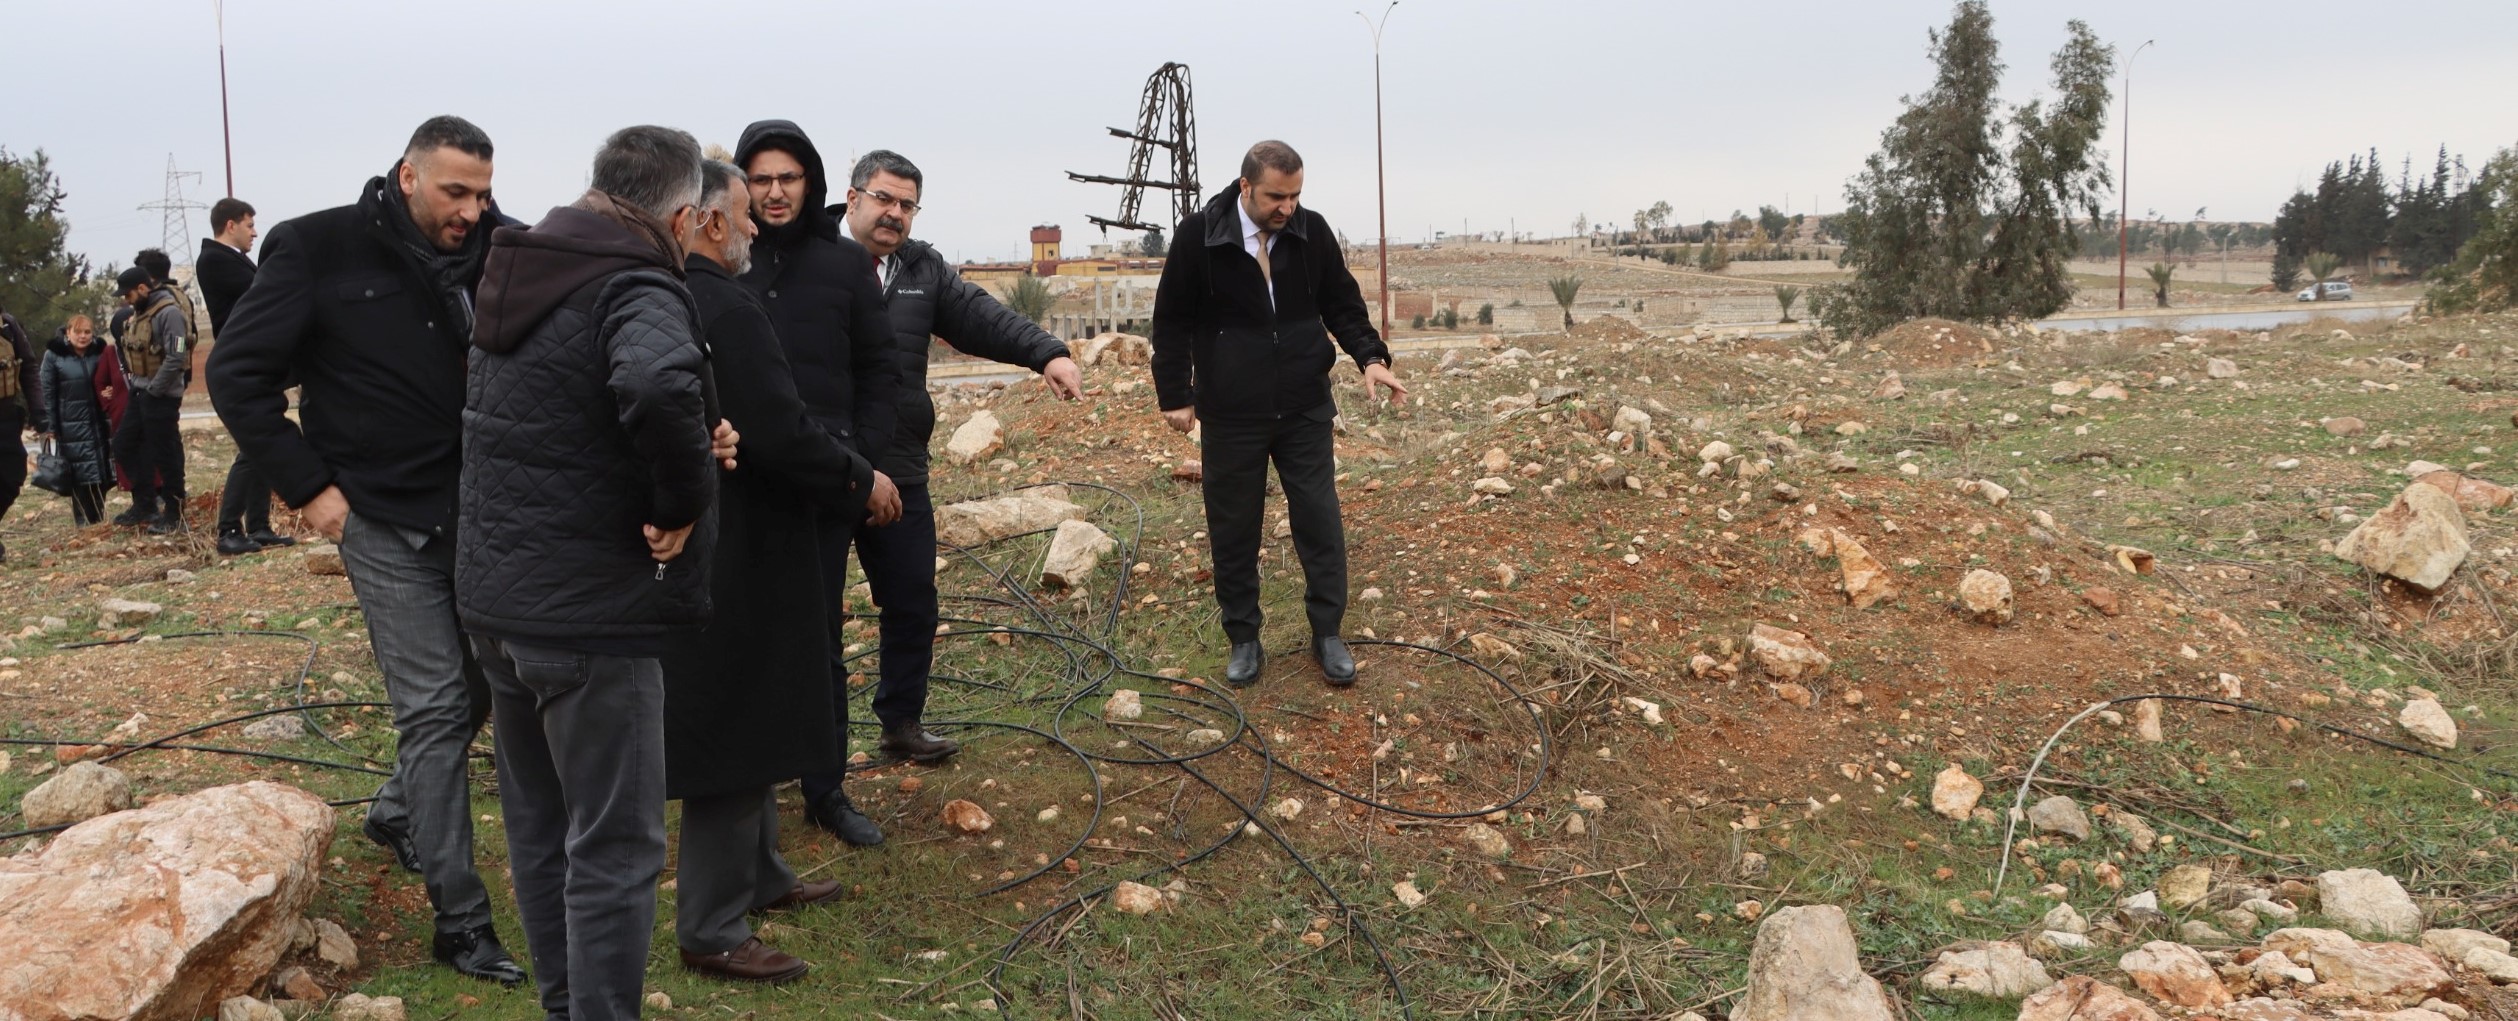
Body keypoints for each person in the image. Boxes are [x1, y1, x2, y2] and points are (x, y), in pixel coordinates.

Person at [207, 115, 527, 987]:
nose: (472, 210)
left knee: (480, 688)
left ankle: (395, 809)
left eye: (483, 192)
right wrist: (310, 487)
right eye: (455, 191)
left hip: (483, 514)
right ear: (409, 176)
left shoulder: (504, 246)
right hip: (380, 520)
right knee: (431, 710)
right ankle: (461, 924)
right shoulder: (317, 248)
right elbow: (237, 375)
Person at [458, 125, 718, 1021]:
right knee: (612, 844)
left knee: (541, 832)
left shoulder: (524, 265)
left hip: (501, 606)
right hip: (587, 615)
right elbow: (651, 385)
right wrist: (681, 501)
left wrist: (687, 436)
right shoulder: (635, 278)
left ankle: (567, 1006)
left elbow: (575, 406)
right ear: (681, 215)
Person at [664, 159, 868, 984]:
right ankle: (712, 922)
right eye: (745, 214)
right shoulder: (724, 307)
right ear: (711, 222)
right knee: (737, 722)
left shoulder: (682, 299)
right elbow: (780, 431)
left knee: (764, 704)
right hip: (738, 545)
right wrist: (863, 478)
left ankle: (763, 874)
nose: (756, 226)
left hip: (734, 538)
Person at [839, 150, 1082, 764]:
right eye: (883, 199)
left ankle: (901, 724)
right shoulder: (815, 262)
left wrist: (1047, 353)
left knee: (913, 599)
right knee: (809, 614)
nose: (894, 213)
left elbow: (980, 318)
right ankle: (812, 748)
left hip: (899, 466)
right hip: (823, 466)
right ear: (853, 199)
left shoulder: (922, 270)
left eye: (906, 204)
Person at [1149, 140, 1407, 688]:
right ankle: (1244, 639)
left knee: (1319, 518)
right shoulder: (1200, 236)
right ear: (1246, 187)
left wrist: (1371, 357)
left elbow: (1342, 303)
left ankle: (1327, 633)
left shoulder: (1310, 231)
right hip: (1231, 411)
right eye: (1275, 196)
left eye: (1294, 195)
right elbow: (1170, 319)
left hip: (1303, 406)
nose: (1286, 207)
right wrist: (1175, 392)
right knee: (1234, 527)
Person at [732, 119, 902, 846]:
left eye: (788, 178)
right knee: (739, 637)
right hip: (738, 483)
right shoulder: (722, 261)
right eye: (762, 179)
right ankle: (740, 787)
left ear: (812, 183)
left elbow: (879, 373)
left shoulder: (843, 265)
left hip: (824, 485)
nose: (775, 193)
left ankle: (825, 787)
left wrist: (858, 465)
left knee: (818, 639)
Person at [198, 197, 293, 556]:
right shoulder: (215, 260)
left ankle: (258, 525)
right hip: (242, 363)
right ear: (230, 225)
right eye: (250, 225)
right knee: (255, 445)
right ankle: (228, 530)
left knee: (261, 443)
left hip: (257, 360)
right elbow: (263, 293)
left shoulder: (235, 260)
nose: (255, 232)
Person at [110, 265, 190, 533]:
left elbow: (177, 356)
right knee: (123, 444)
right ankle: (144, 503)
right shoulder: (138, 314)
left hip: (161, 395)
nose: (126, 300)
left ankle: (174, 513)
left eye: (129, 295)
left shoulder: (170, 314)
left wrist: (155, 389)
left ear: (143, 288)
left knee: (165, 454)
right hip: (140, 392)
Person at [37, 317, 117, 525]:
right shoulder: (53, 356)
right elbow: (47, 392)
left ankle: (98, 520)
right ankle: (83, 522)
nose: (83, 336)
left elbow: (112, 379)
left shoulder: (100, 353)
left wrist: (110, 390)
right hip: (70, 424)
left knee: (101, 472)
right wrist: (50, 425)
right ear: (68, 333)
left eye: (87, 332)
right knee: (79, 475)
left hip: (99, 421)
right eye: (78, 332)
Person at [0, 304, 34, 557]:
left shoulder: (8, 326)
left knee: (12, 476)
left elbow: (30, 368)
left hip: (6, 413)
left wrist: (40, 413)